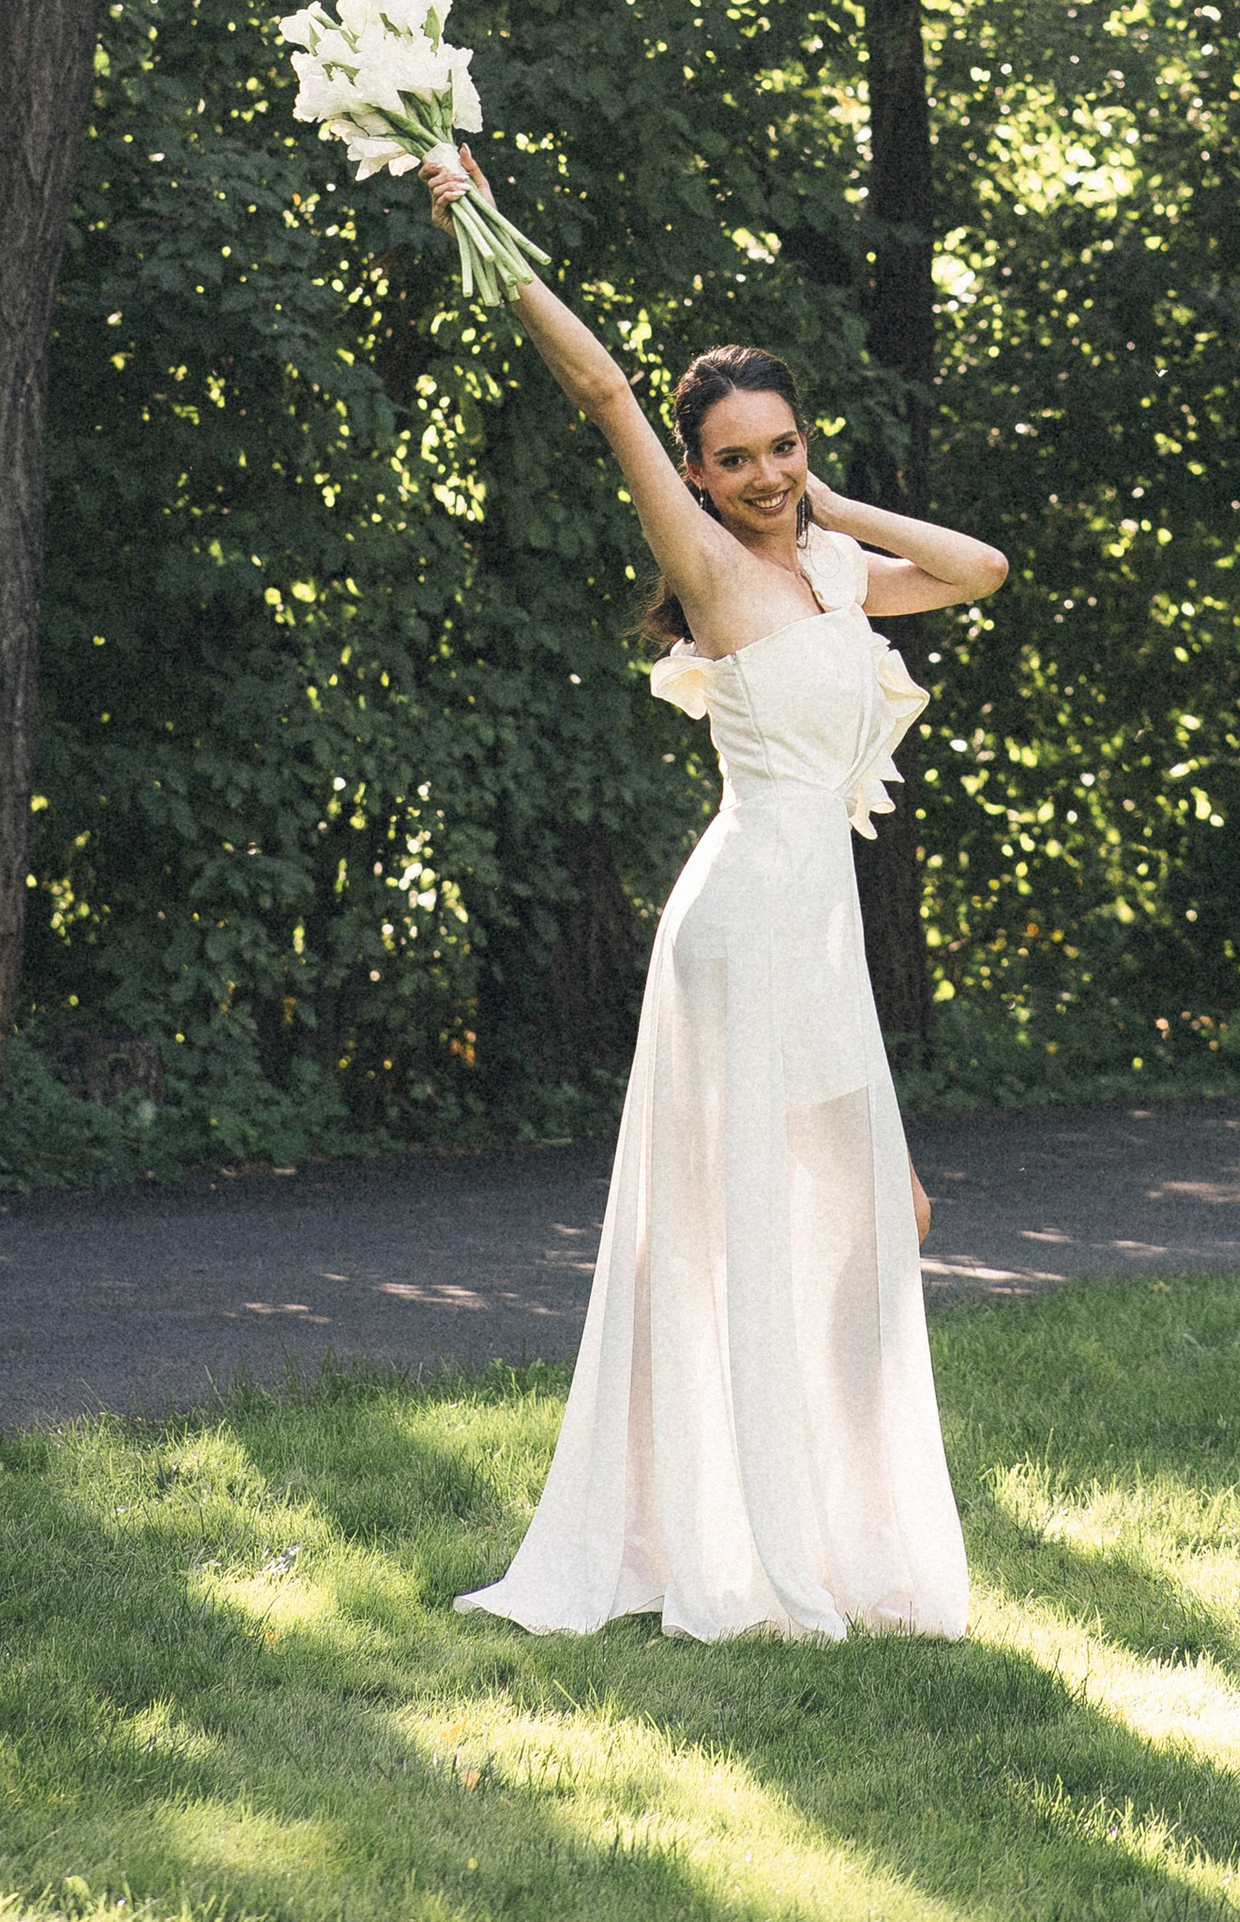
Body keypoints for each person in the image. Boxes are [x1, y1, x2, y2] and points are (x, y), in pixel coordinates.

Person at [421, 143, 1003, 1644]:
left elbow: (982, 566)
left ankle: (808, 1521)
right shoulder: (707, 559)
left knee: (867, 1220)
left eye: (783, 446)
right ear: (695, 472)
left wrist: (832, 504)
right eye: (736, 456)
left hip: (805, 922)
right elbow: (610, 389)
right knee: (785, 1213)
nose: (763, 473)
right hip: (748, 922)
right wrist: (476, 217)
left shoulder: (833, 567)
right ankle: (744, 1551)